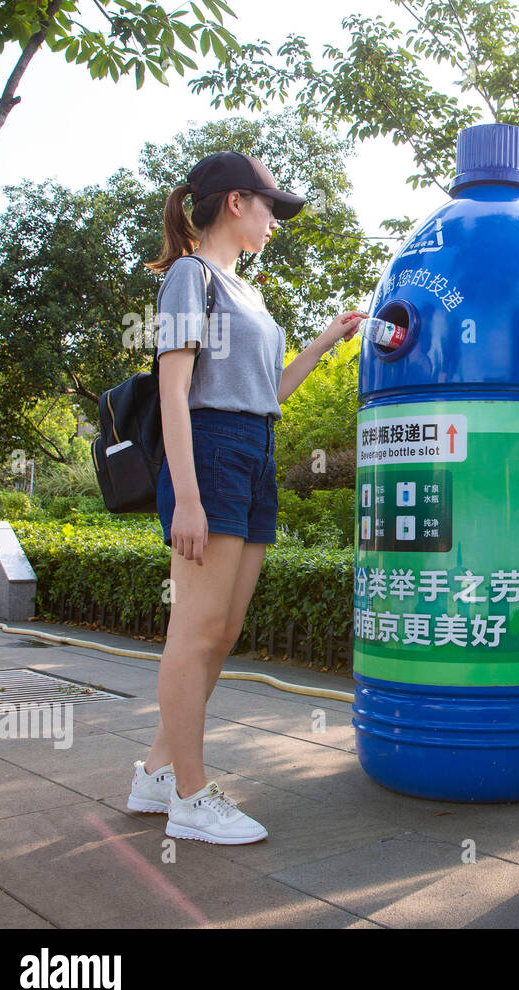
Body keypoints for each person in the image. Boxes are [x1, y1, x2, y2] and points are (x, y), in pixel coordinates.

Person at [125, 150, 364, 845]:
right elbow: (175, 390)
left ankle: (156, 774)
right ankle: (191, 798)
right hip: (210, 453)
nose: (274, 222)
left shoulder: (247, 291)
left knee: (223, 631)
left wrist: (323, 341)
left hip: (255, 449)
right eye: (269, 208)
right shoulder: (190, 278)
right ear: (235, 203)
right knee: (194, 631)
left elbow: (267, 396)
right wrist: (190, 498)